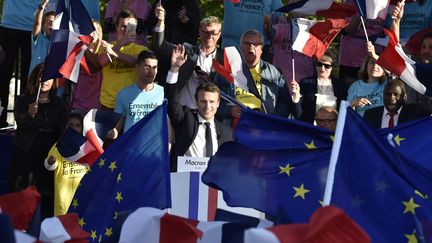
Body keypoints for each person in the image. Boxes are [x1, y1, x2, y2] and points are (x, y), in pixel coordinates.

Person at [8, 63, 67, 219]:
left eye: (49, 77)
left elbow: (62, 130)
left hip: (49, 156)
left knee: (47, 196)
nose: (45, 80)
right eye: (42, 76)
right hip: (27, 154)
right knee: (24, 195)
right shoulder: (23, 100)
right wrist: (29, 115)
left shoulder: (60, 103)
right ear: (35, 78)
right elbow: (20, 126)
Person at [166, 45, 233, 171]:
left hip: (212, 186)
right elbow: (172, 100)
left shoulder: (227, 133)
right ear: (196, 102)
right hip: (185, 182)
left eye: (212, 101)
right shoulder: (186, 119)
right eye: (203, 101)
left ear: (218, 103)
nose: (208, 106)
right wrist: (174, 69)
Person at [217, 29, 302, 123]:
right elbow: (213, 99)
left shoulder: (274, 72)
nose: (251, 47)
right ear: (240, 47)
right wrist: (229, 110)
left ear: (261, 49)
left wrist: (273, 119)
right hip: (235, 124)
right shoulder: (227, 70)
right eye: (247, 43)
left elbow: (284, 102)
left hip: (263, 125)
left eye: (255, 44)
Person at [153, 4, 222, 109]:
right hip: (184, 111)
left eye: (213, 32)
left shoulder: (224, 58)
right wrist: (160, 21)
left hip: (210, 113)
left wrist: (210, 83)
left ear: (219, 34)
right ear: (199, 31)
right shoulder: (187, 50)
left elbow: (227, 90)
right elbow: (160, 45)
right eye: (206, 32)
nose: (209, 36)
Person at [98, 10, 148, 110]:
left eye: (130, 26)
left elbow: (134, 61)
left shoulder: (141, 49)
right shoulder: (105, 46)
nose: (126, 30)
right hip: (108, 104)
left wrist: (112, 52)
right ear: (116, 27)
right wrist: (120, 44)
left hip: (131, 103)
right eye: (123, 26)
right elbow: (103, 61)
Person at [148, 0, 201, 88]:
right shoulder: (160, 3)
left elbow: (197, 31)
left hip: (183, 56)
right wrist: (159, 20)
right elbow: (150, 29)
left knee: (178, 91)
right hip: (162, 57)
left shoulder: (190, 4)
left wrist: (186, 21)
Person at [44, 112, 89, 216]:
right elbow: (49, 166)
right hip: (63, 199)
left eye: (77, 125)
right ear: (65, 127)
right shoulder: (58, 146)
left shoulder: (88, 147)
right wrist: (50, 161)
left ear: (82, 128)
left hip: (82, 196)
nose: (74, 127)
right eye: (71, 125)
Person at [114, 50, 164, 133]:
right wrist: (108, 133)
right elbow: (117, 128)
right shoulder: (123, 94)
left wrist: (168, 144)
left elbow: (167, 124)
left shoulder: (162, 92)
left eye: (154, 67)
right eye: (147, 67)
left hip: (153, 145)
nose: (151, 72)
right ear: (137, 67)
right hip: (130, 144)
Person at [364, 79, 432, 129]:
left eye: (396, 94)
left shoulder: (416, 111)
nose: (391, 98)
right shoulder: (370, 115)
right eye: (388, 94)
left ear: (404, 97)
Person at [300, 54, 348, 124]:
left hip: (333, 128)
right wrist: (296, 98)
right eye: (319, 64)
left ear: (332, 68)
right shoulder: (305, 82)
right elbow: (299, 109)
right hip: (311, 127)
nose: (322, 68)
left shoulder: (340, 84)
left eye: (327, 66)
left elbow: (344, 108)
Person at [71, 20, 104, 113]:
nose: (91, 34)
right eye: (88, 30)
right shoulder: (77, 50)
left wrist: (83, 46)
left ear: (99, 34)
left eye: (94, 31)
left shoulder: (102, 51)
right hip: (78, 103)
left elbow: (97, 63)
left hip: (95, 105)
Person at [347, 52, 387, 117]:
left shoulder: (388, 84)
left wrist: (374, 54)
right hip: (360, 124)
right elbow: (346, 111)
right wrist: (354, 103)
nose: (375, 66)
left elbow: (393, 70)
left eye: (379, 63)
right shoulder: (355, 86)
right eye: (372, 62)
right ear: (366, 65)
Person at [29, 0, 55, 76]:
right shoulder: (38, 39)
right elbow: (37, 24)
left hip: (52, 83)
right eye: (49, 22)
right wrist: (41, 7)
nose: (52, 25)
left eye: (55, 22)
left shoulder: (62, 43)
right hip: (35, 82)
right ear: (43, 26)